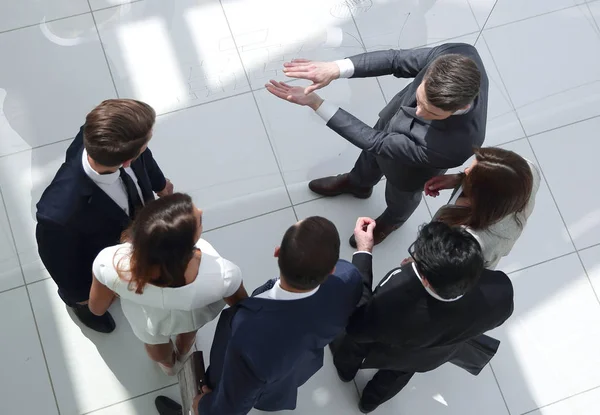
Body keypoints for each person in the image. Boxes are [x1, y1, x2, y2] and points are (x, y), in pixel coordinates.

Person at [266, 43, 489, 247]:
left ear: (460, 107)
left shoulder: (455, 144)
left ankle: (392, 221)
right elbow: (396, 60)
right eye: (419, 100)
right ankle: (358, 184)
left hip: (408, 171)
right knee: (369, 157)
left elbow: (377, 142)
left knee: (400, 197)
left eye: (431, 113)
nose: (416, 112)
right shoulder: (460, 55)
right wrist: (336, 68)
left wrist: (316, 103)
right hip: (386, 132)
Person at [155, 216, 364, 414]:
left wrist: (204, 407)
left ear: (277, 252)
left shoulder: (250, 340)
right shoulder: (349, 280)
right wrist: (364, 251)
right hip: (293, 370)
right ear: (331, 271)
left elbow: (230, 408)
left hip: (245, 377)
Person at [331, 219, 514, 413]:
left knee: (355, 346)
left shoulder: (397, 291)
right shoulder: (500, 291)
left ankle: (345, 370)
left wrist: (364, 252)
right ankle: (369, 404)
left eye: (415, 258)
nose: (409, 260)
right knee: (397, 374)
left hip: (390, 343)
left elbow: (357, 327)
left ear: (426, 281)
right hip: (429, 357)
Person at [36, 99, 173, 333]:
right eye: (146, 143)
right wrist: (83, 299)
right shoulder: (57, 215)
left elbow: (144, 158)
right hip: (103, 249)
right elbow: (62, 266)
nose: (147, 145)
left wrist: (159, 184)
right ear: (127, 159)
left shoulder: (114, 141)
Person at [89, 193, 248, 375]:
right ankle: (183, 352)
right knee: (188, 333)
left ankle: (168, 365)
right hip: (190, 316)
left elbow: (97, 308)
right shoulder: (224, 275)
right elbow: (243, 308)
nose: (202, 210)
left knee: (154, 344)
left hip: (145, 319)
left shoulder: (108, 262)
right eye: (198, 220)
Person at [425, 146, 541, 269]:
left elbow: (443, 268)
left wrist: (420, 263)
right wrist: (458, 180)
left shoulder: (472, 243)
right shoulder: (526, 173)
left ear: (483, 197)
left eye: (471, 176)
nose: (465, 171)